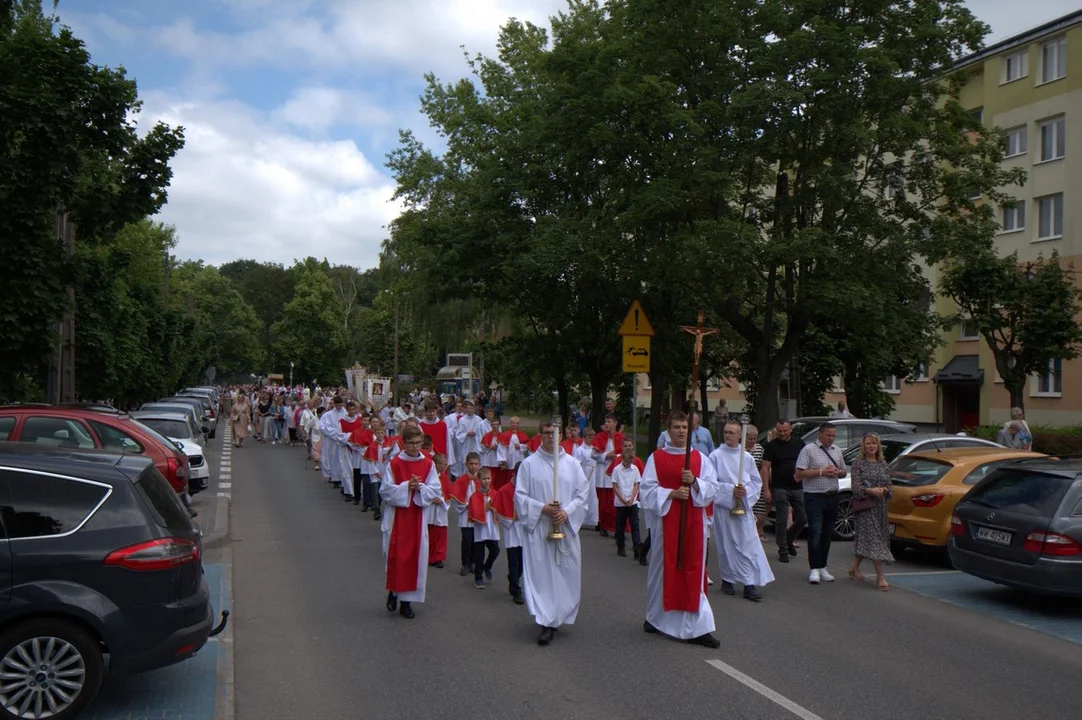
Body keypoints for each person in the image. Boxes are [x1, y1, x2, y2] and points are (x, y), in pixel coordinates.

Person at [640, 411, 721, 648]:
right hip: (667, 523)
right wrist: (671, 494)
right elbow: (645, 492)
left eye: (685, 427)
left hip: (693, 522)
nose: (681, 431)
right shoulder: (656, 458)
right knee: (661, 571)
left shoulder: (700, 459)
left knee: (693, 571)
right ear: (668, 430)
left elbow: (713, 488)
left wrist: (695, 481)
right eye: (676, 427)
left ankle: (700, 626)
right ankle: (654, 617)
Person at [514, 420, 590, 646]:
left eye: (554, 433)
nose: (550, 437)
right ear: (539, 435)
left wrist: (566, 512)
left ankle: (559, 613)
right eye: (546, 433)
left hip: (565, 528)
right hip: (539, 528)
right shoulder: (529, 465)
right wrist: (543, 509)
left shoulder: (573, 464)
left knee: (566, 573)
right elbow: (520, 497)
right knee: (542, 575)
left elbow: (582, 494)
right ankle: (545, 621)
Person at [380, 425, 442, 619]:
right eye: (411, 443)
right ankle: (393, 592)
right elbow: (385, 491)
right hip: (397, 515)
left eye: (418, 443)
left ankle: (406, 603)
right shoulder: (395, 463)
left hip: (417, 515)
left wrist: (421, 487)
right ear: (403, 443)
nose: (415, 447)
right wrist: (407, 486)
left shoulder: (429, 463)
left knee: (415, 559)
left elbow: (435, 489)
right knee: (395, 557)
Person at [710, 421, 775, 602]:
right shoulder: (715, 456)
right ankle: (727, 580)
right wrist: (730, 490)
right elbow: (710, 483)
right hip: (725, 508)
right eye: (726, 432)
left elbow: (756, 481)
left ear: (740, 435)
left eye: (732, 432)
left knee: (748, 544)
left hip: (743, 508)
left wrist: (744, 493)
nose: (728, 435)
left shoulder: (746, 458)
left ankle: (749, 584)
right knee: (726, 545)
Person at [795, 422, 847, 584]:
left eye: (833, 436)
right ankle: (814, 568)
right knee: (815, 532)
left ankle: (823, 566)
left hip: (832, 495)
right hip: (814, 496)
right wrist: (821, 472)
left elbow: (844, 471)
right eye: (828, 435)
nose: (831, 438)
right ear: (820, 434)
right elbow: (799, 473)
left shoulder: (837, 450)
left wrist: (838, 472)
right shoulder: (808, 450)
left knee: (827, 532)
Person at [849, 433, 894, 591]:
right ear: (863, 445)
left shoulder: (882, 463)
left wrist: (884, 490)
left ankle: (854, 567)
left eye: (874, 443)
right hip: (865, 506)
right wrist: (870, 490)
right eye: (868, 443)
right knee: (874, 540)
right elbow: (855, 488)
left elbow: (889, 485)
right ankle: (880, 576)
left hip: (880, 508)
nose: (871, 446)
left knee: (873, 538)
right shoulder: (858, 463)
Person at [761, 419, 806, 564]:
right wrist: (766, 489)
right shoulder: (771, 446)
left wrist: (802, 475)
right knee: (781, 519)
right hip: (779, 486)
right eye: (779, 431)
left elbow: (806, 461)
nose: (782, 433)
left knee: (803, 518)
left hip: (797, 486)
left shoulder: (799, 443)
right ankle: (783, 549)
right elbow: (765, 468)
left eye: (785, 430)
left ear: (790, 429)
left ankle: (789, 539)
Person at [493, 463, 524, 604]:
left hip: (524, 530)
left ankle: (513, 578)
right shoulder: (504, 490)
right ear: (514, 475)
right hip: (511, 529)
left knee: (522, 563)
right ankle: (516, 590)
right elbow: (498, 511)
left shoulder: (527, 489)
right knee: (513, 561)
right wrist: (512, 518)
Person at [590, 414, 624, 537]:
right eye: (606, 421)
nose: (607, 423)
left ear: (615, 423)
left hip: (615, 473)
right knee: (603, 503)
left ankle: (617, 527)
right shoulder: (600, 436)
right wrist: (605, 456)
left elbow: (626, 453)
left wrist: (616, 456)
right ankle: (602, 525)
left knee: (615, 503)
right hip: (602, 473)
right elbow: (593, 454)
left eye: (609, 421)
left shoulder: (621, 437)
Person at [467, 467, 501, 590]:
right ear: (479, 480)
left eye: (488, 478)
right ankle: (478, 578)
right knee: (479, 555)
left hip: (492, 528)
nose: (487, 481)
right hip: (480, 530)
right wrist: (486, 507)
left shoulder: (495, 493)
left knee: (496, 550)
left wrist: (494, 509)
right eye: (484, 479)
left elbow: (500, 508)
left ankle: (487, 566)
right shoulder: (474, 496)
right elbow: (473, 513)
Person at [449, 452, 482, 577]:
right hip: (466, 513)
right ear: (466, 464)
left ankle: (473, 562)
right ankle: (465, 563)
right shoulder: (461, 480)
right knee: (467, 539)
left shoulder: (481, 479)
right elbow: (457, 499)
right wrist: (466, 505)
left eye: (476, 464)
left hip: (478, 515)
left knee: (476, 540)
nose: (473, 466)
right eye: (471, 464)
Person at [611, 440, 642, 560]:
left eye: (631, 461)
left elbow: (636, 484)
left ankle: (637, 548)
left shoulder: (635, 469)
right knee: (620, 525)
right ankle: (621, 547)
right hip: (621, 502)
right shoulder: (617, 470)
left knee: (635, 525)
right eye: (627, 461)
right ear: (623, 459)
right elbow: (615, 486)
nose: (629, 464)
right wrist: (623, 499)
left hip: (632, 501)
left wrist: (632, 498)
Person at [427, 453, 452, 569]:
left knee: (440, 535)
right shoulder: (428, 476)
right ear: (436, 464)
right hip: (430, 508)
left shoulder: (445, 478)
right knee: (430, 534)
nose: (445, 466)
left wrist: (441, 499)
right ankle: (428, 556)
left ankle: (438, 557)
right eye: (443, 464)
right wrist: (431, 499)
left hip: (441, 508)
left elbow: (448, 494)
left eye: (446, 464)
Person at [419, 400, 456, 471]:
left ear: (436, 411)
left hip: (441, 456)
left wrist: (449, 459)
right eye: (429, 412)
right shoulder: (421, 426)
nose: (432, 414)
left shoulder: (443, 425)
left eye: (433, 411)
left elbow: (448, 442)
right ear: (425, 412)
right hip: (427, 456)